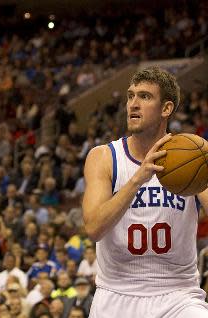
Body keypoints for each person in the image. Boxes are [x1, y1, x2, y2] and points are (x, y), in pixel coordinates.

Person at [83, 66, 208, 317]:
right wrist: (137, 180)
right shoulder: (104, 157)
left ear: (166, 109)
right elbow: (94, 228)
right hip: (116, 293)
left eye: (145, 96)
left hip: (178, 294)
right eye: (131, 96)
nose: (133, 104)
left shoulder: (194, 157)